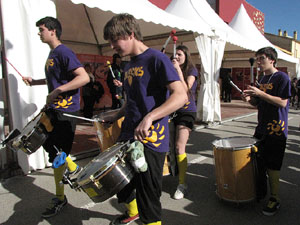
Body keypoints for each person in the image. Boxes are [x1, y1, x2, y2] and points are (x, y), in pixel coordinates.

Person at [103, 13, 188, 225]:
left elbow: (181, 95)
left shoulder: (156, 59)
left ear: (130, 34)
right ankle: (132, 212)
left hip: (152, 139)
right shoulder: (128, 64)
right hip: (129, 134)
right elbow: (132, 98)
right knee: (118, 184)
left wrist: (150, 116)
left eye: (115, 40)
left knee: (148, 198)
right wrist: (117, 114)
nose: (112, 46)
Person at [22, 16, 90, 218]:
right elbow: (56, 79)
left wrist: (59, 90)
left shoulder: (64, 52)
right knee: (51, 151)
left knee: (58, 153)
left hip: (66, 111)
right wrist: (35, 82)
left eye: (41, 29)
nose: (39, 33)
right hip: (54, 108)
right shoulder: (53, 54)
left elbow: (83, 77)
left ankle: (74, 171)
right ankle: (61, 196)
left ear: (53, 31)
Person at [242, 47, 290, 216]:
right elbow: (258, 104)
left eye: (262, 58)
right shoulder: (262, 78)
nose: (259, 62)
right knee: (258, 162)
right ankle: (261, 192)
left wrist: (260, 93)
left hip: (276, 128)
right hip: (261, 127)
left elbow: (282, 102)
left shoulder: (282, 77)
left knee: (273, 164)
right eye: (257, 59)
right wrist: (249, 99)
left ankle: (275, 198)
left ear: (272, 60)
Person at [171, 45, 198, 200]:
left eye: (179, 54)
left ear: (186, 56)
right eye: (175, 54)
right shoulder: (170, 70)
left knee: (179, 146)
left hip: (187, 111)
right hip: (172, 111)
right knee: (169, 145)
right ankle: (174, 171)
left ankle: (182, 184)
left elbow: (186, 89)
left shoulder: (191, 71)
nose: (177, 57)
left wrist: (178, 70)